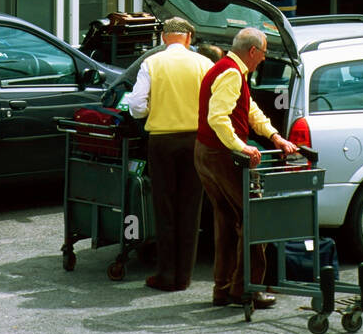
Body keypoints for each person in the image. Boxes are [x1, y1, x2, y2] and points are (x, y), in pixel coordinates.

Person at [194, 27, 298, 309]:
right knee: (255, 218)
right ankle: (247, 290)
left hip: (207, 153)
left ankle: (224, 288)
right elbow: (218, 117)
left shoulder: (227, 70)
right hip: (222, 156)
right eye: (263, 53)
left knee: (227, 221)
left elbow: (250, 110)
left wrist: (274, 136)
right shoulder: (231, 73)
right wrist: (242, 146)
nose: (264, 59)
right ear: (252, 51)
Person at [126, 18, 212, 292]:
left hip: (162, 141)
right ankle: (184, 276)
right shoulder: (204, 64)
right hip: (195, 140)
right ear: (188, 38)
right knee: (190, 208)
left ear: (164, 38)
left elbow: (136, 105)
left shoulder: (151, 63)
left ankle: (166, 274)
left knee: (164, 207)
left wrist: (151, 110)